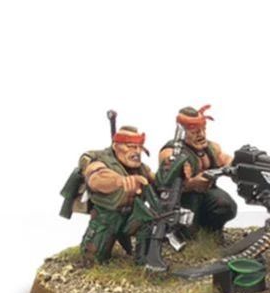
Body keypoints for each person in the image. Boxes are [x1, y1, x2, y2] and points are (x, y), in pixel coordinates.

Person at [79, 126, 154, 263]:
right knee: (93, 260)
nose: (137, 151)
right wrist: (120, 181)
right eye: (131, 146)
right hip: (107, 219)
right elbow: (96, 178)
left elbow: (158, 182)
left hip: (131, 216)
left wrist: (176, 172)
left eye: (139, 147)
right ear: (116, 146)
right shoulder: (100, 160)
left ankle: (143, 261)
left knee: (149, 220)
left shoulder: (141, 168)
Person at [158, 105, 236, 234]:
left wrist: (238, 165)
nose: (201, 135)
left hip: (207, 194)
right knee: (188, 231)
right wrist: (192, 183)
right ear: (183, 132)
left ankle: (211, 233)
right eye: (194, 132)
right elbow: (166, 185)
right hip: (182, 199)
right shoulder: (171, 153)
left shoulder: (212, 148)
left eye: (203, 129)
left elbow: (227, 160)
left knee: (225, 205)